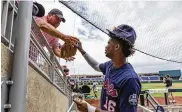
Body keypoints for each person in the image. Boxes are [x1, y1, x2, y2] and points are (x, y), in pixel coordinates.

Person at [74, 24, 141, 112]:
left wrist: (90, 109)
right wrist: (81, 50)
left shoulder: (130, 80)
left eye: (109, 43)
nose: (106, 46)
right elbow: (96, 66)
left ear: (117, 47)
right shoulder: (110, 65)